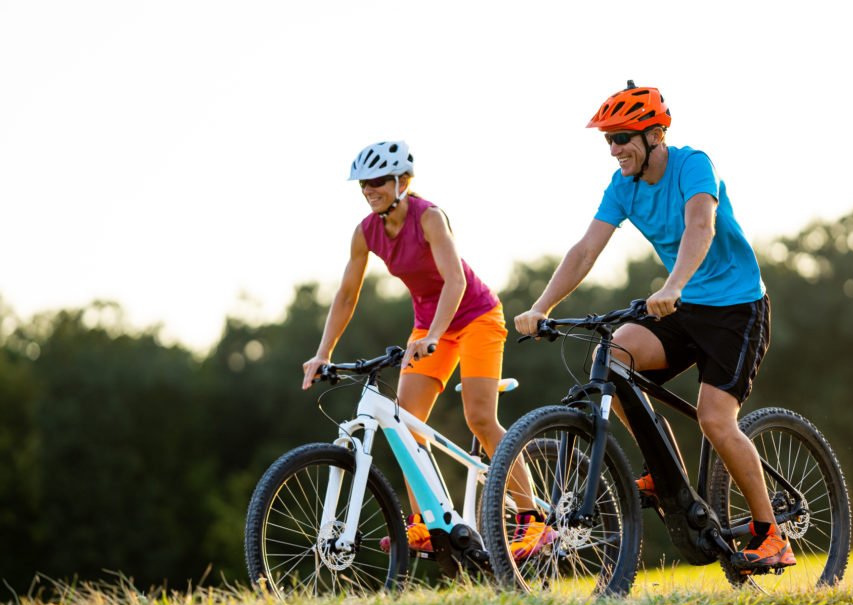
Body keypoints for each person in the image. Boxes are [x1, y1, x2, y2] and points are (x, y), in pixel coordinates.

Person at [513, 83, 795, 572]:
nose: (615, 150)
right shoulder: (623, 185)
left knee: (714, 418)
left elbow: (700, 227)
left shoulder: (692, 164)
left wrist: (674, 285)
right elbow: (585, 250)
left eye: (622, 137)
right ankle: (663, 471)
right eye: (608, 141)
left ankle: (772, 534)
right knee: (614, 358)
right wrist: (540, 306)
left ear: (655, 135)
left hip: (735, 308)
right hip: (681, 306)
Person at [302, 140, 549, 558]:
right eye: (364, 183)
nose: (369, 189)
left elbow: (455, 281)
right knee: (406, 427)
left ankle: (533, 520)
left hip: (476, 317)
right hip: (429, 328)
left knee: (479, 418)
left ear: (403, 181)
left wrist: (433, 334)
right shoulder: (366, 233)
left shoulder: (429, 218)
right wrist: (322, 352)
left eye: (378, 181)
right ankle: (424, 524)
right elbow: (347, 294)